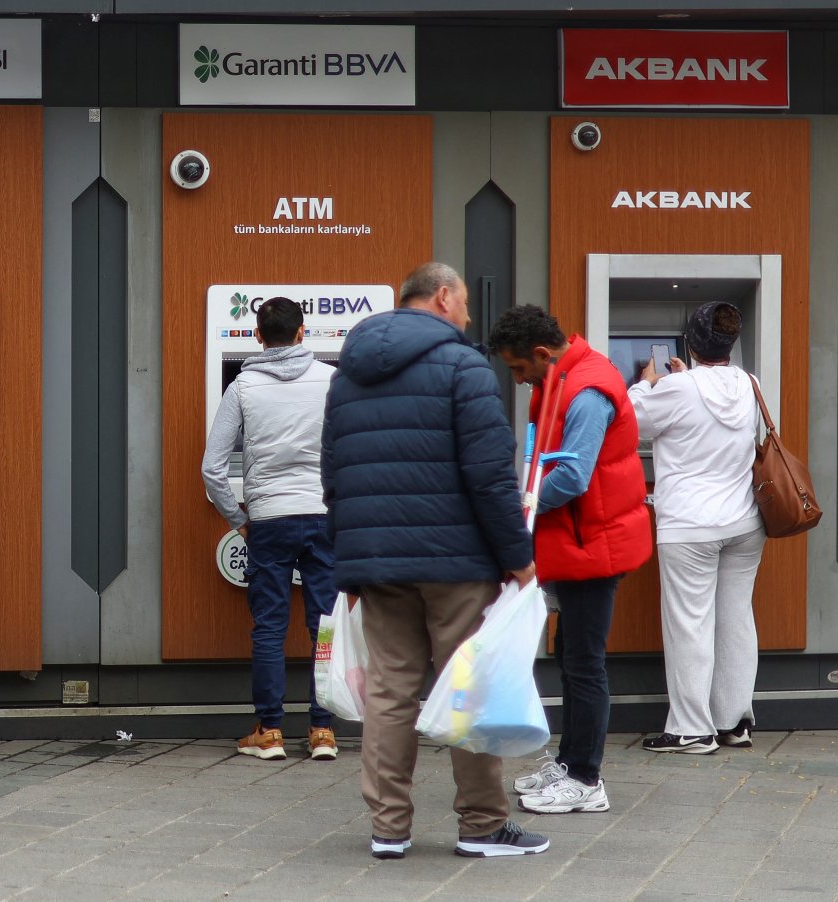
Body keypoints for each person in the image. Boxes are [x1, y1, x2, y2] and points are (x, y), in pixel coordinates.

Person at [323, 262, 547, 860]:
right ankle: (481, 826)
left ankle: (388, 829)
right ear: (443, 297)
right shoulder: (463, 367)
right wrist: (518, 559)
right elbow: (489, 477)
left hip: (376, 561)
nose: (470, 316)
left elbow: (334, 474)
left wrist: (348, 564)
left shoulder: (348, 373)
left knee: (390, 692)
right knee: (467, 688)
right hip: (455, 563)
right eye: (467, 303)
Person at [489, 304, 652, 815]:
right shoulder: (562, 379)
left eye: (518, 369)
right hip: (579, 541)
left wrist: (520, 512)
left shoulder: (585, 391)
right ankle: (570, 760)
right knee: (572, 657)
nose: (517, 380)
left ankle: (586, 778)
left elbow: (573, 477)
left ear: (542, 353)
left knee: (583, 662)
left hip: (593, 544)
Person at [201, 296, 339, 762]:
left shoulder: (242, 387)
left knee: (269, 627)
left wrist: (238, 520)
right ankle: (323, 731)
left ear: (258, 337)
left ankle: (270, 732)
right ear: (304, 332)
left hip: (269, 520)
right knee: (325, 627)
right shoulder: (331, 380)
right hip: (324, 517)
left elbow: (213, 469)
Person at [629, 302, 764, 754]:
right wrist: (684, 381)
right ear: (731, 343)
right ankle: (733, 722)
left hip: (690, 526)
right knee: (735, 620)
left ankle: (690, 729)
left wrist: (645, 385)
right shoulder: (750, 383)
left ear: (691, 341)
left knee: (690, 624)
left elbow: (631, 423)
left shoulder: (677, 388)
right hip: (745, 521)